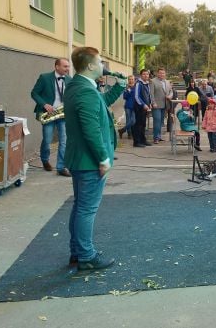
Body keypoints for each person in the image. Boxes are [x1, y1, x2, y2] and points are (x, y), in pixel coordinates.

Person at [64, 46, 125, 270]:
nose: (103, 66)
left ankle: (77, 252)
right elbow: (90, 129)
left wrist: (119, 88)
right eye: (100, 62)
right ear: (90, 65)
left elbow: (101, 104)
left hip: (80, 159)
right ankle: (87, 256)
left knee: (80, 205)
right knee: (86, 209)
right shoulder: (85, 91)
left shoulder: (77, 86)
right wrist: (103, 158)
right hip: (89, 161)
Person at [31, 58, 73, 176]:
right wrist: (44, 104)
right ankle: (45, 159)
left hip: (63, 114)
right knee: (47, 140)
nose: (67, 69)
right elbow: (34, 93)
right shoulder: (44, 77)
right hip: (48, 113)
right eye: (65, 66)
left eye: (68, 66)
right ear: (57, 67)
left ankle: (61, 167)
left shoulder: (69, 80)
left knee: (64, 141)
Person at [150, 67, 173, 144]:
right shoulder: (153, 81)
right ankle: (156, 138)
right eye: (160, 73)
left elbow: (171, 91)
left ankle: (159, 136)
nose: (162, 74)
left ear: (165, 74)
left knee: (161, 122)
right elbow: (151, 94)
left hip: (165, 105)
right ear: (157, 73)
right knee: (157, 121)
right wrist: (153, 103)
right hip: (156, 105)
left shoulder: (167, 82)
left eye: (163, 73)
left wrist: (170, 96)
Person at [133, 69, 152, 148]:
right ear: (141, 75)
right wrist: (143, 104)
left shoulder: (147, 84)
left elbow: (149, 95)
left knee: (143, 125)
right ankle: (137, 142)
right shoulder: (138, 83)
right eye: (144, 74)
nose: (146, 76)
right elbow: (137, 96)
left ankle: (143, 140)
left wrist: (149, 103)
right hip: (139, 108)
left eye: (147, 74)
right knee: (138, 125)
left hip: (145, 108)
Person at [118, 75, 136, 139]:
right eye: (129, 79)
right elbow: (124, 97)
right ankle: (129, 134)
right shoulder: (126, 87)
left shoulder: (136, 86)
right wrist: (128, 90)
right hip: (128, 106)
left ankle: (122, 130)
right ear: (128, 80)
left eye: (132, 79)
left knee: (133, 120)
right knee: (128, 120)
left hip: (135, 106)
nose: (131, 81)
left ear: (134, 80)